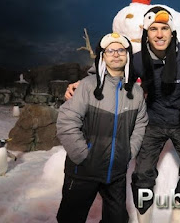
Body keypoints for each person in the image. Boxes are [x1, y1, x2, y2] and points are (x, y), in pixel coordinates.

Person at [64, 6, 180, 223]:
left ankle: (176, 218)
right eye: (153, 29)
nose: (159, 34)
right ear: (146, 32)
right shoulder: (137, 59)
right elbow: (110, 65)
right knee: (142, 173)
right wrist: (84, 81)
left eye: (164, 28)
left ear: (172, 32)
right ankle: (145, 220)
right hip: (152, 123)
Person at [56, 32, 148, 223]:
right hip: (83, 170)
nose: (116, 54)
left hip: (116, 173)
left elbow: (140, 123)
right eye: (110, 50)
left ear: (127, 55)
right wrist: (82, 154)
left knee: (117, 219)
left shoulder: (136, 92)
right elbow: (67, 121)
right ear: (103, 56)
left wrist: (128, 152)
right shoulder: (87, 86)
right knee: (71, 218)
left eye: (121, 49)